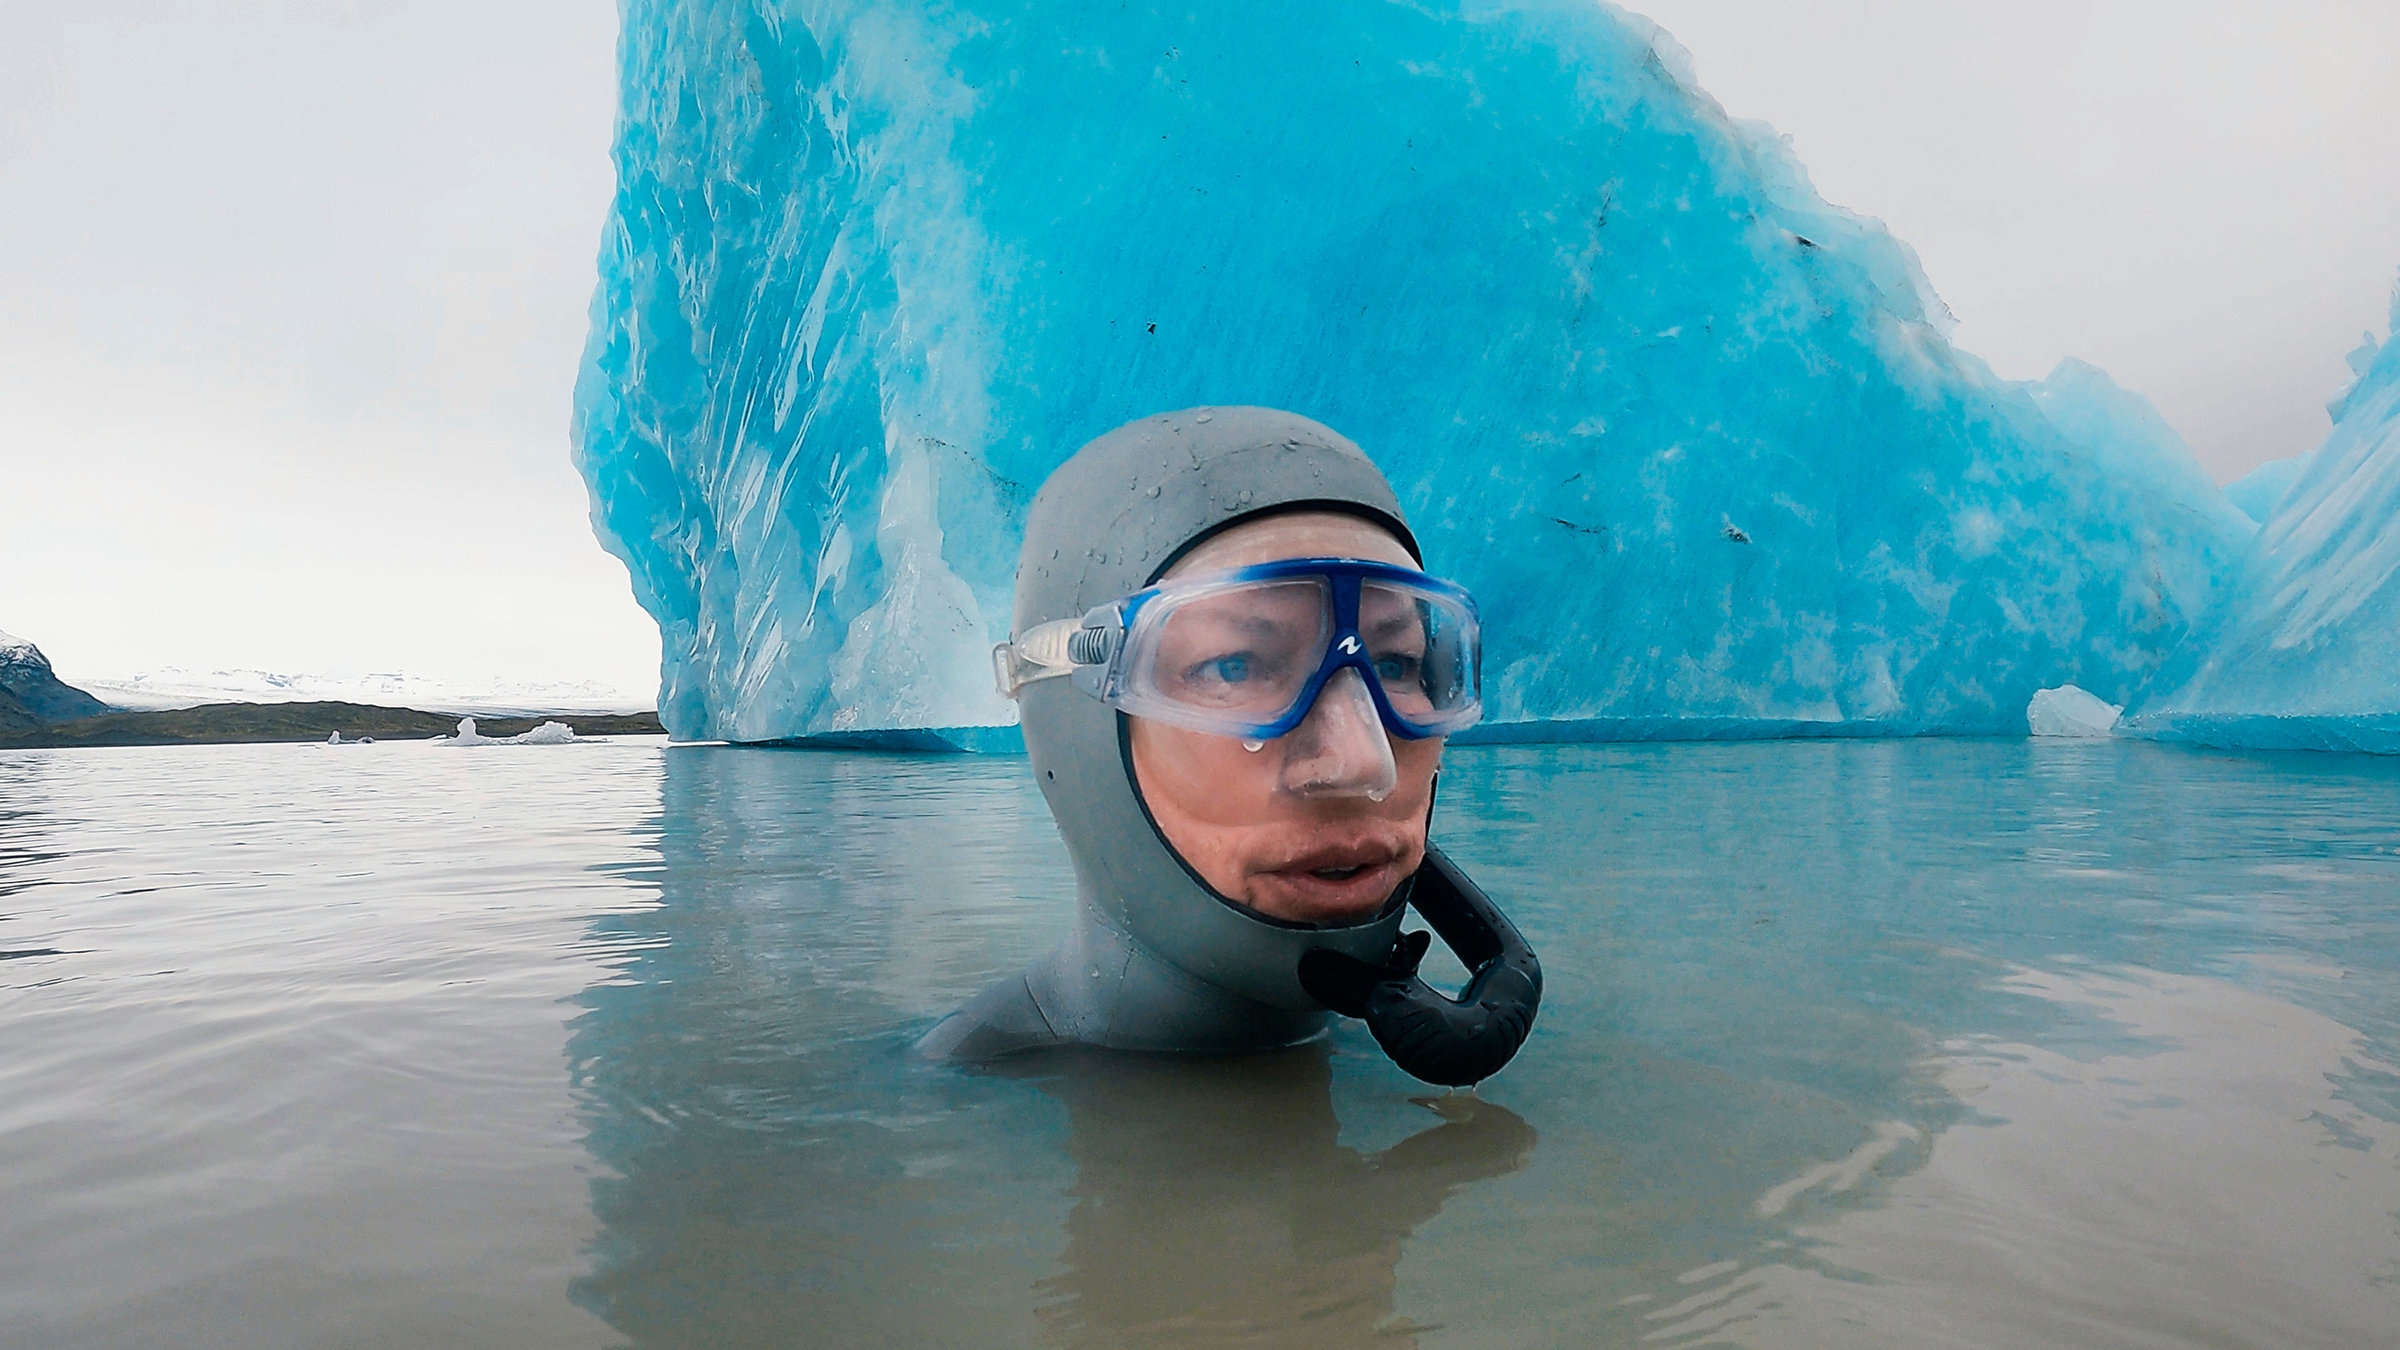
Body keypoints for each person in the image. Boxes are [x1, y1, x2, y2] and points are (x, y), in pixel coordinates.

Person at [916, 407, 1539, 1085]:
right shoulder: (941, 1116)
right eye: (1235, 667)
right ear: (1077, 729)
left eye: (1395, 665)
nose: (1363, 762)